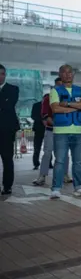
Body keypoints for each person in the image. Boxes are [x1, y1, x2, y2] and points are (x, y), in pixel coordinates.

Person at [49, 64, 81, 199]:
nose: (67, 74)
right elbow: (56, 109)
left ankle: (79, 187)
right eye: (64, 72)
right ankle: (56, 188)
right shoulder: (55, 91)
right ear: (60, 74)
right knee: (60, 161)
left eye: (70, 72)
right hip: (61, 131)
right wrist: (78, 107)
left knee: (78, 161)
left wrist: (67, 104)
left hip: (78, 131)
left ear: (73, 74)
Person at [0, 64, 19, 195]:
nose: (0, 76)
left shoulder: (13, 89)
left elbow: (8, 105)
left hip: (7, 130)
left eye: (2, 74)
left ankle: (7, 186)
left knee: (7, 158)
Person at [31, 98, 45, 170]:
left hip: (47, 128)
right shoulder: (36, 105)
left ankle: (49, 163)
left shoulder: (50, 105)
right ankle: (36, 163)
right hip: (38, 128)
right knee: (37, 147)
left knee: (48, 147)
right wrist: (42, 119)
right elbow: (33, 116)